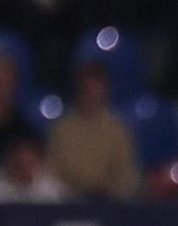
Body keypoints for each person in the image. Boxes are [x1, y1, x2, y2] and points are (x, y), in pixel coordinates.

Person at [47, 61, 140, 200]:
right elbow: (51, 173)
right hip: (68, 204)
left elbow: (127, 176)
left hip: (111, 206)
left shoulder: (118, 130)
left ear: (105, 89)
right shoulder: (61, 129)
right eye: (85, 86)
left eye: (95, 86)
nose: (90, 92)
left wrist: (105, 192)